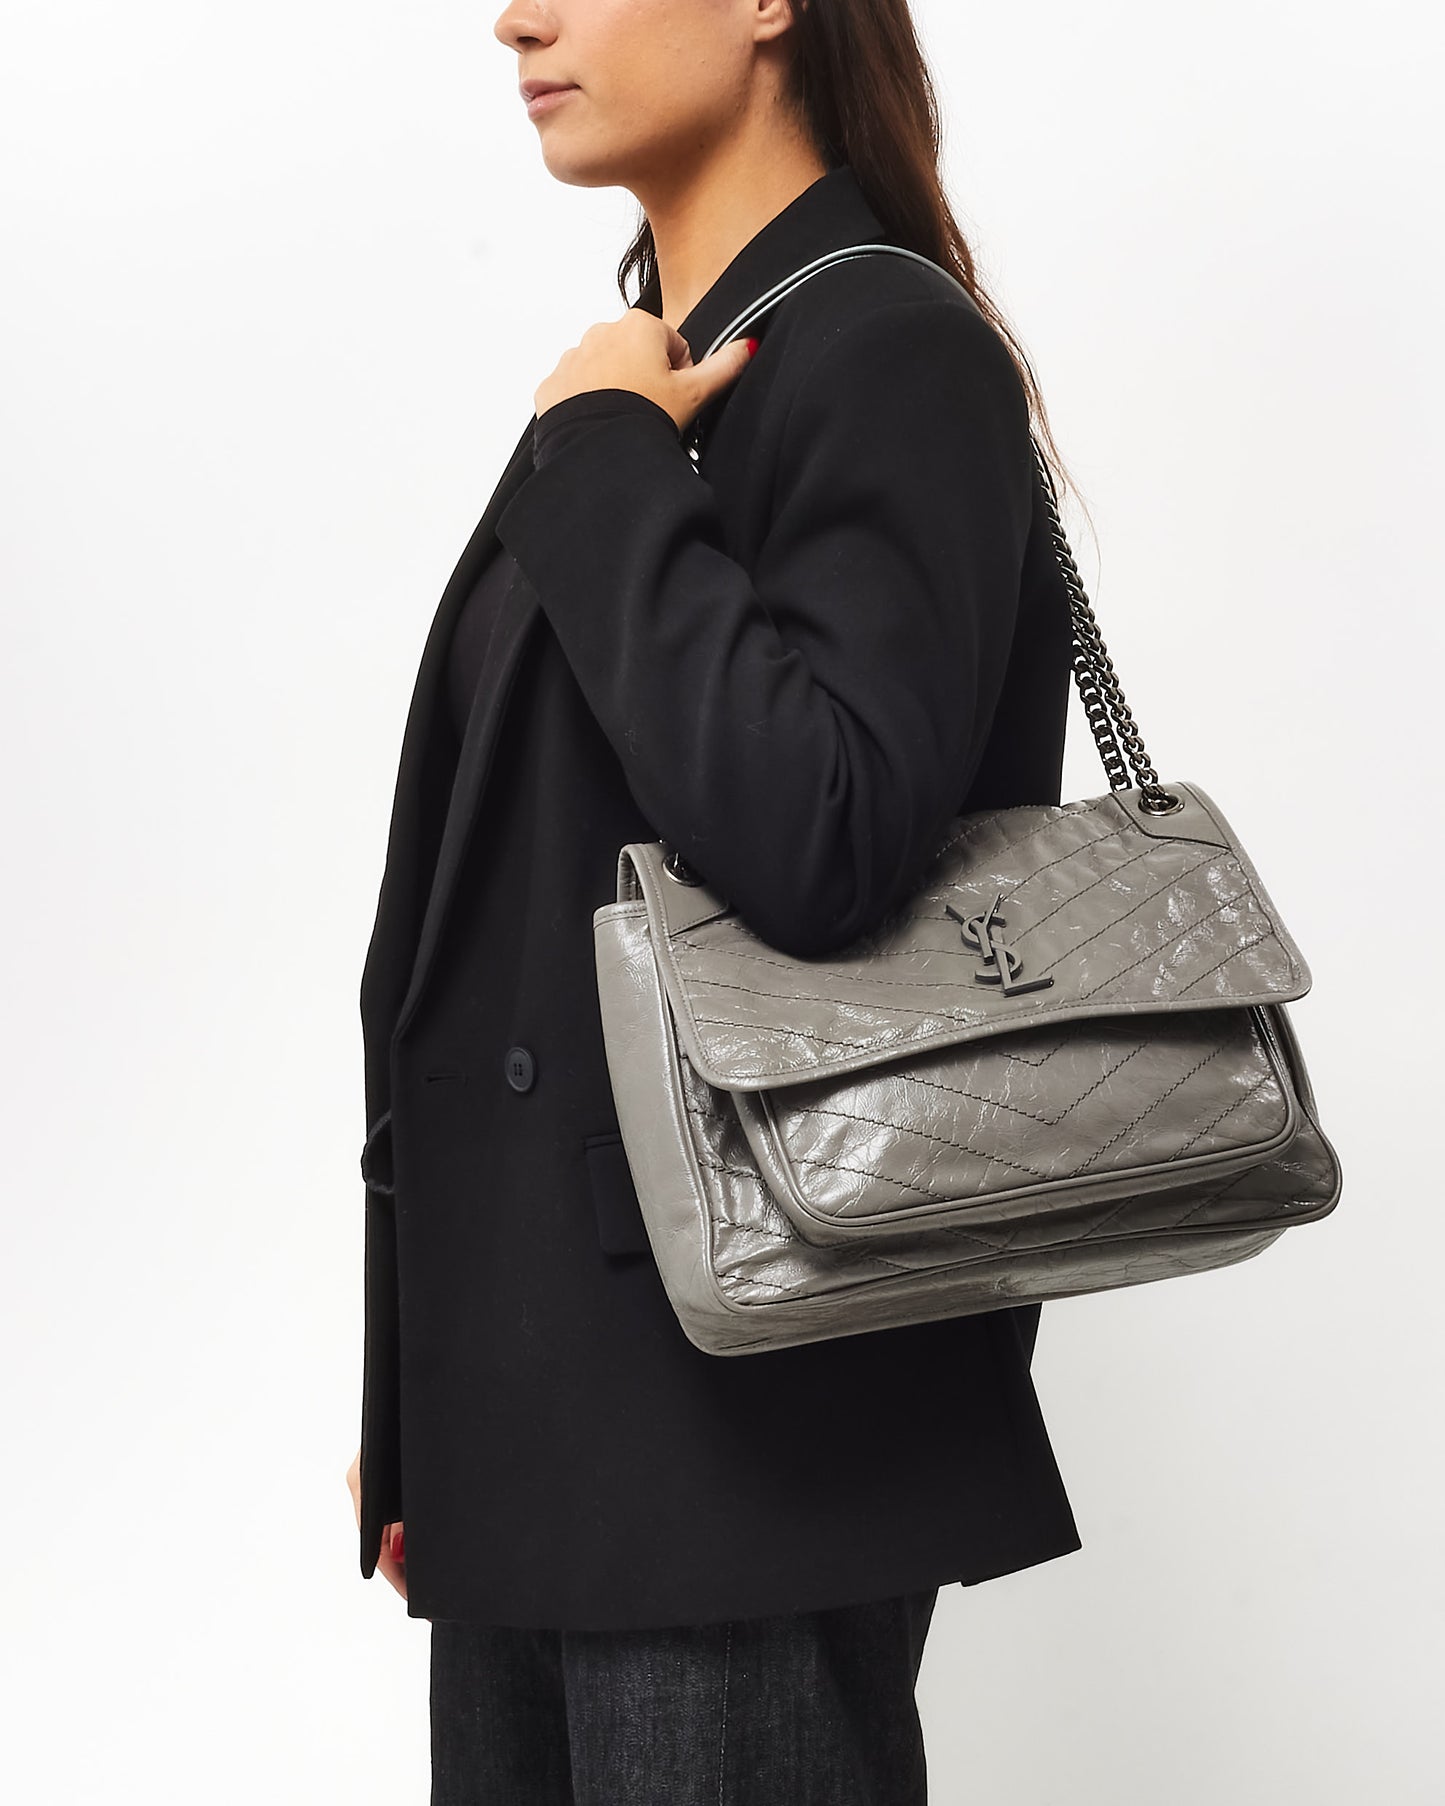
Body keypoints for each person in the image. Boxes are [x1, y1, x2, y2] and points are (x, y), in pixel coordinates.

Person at [346, 1, 1085, 1798]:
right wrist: (423, 1394)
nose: (516, 17)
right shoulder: (653, 371)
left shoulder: (884, 347)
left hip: (743, 1439)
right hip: (547, 1423)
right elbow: (492, 928)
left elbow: (818, 838)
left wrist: (606, 452)